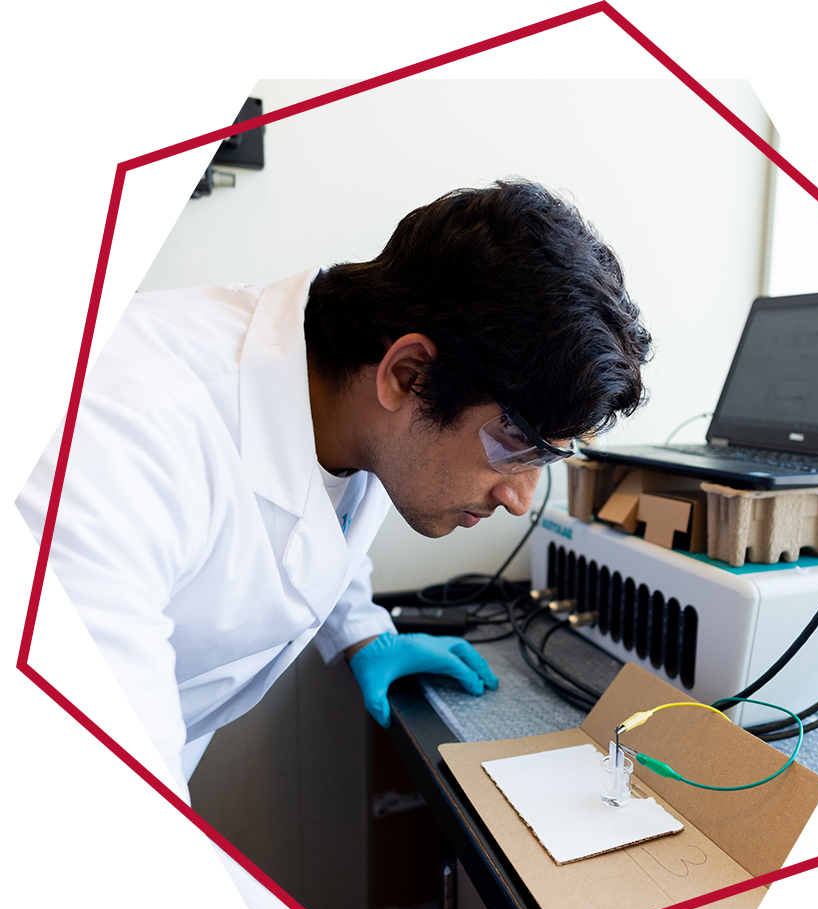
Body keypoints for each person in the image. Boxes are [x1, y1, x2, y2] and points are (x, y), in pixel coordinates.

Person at [17, 179, 651, 800]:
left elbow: (324, 507)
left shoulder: (347, 391)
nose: (519, 498)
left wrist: (361, 630)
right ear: (408, 375)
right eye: (516, 445)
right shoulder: (114, 445)